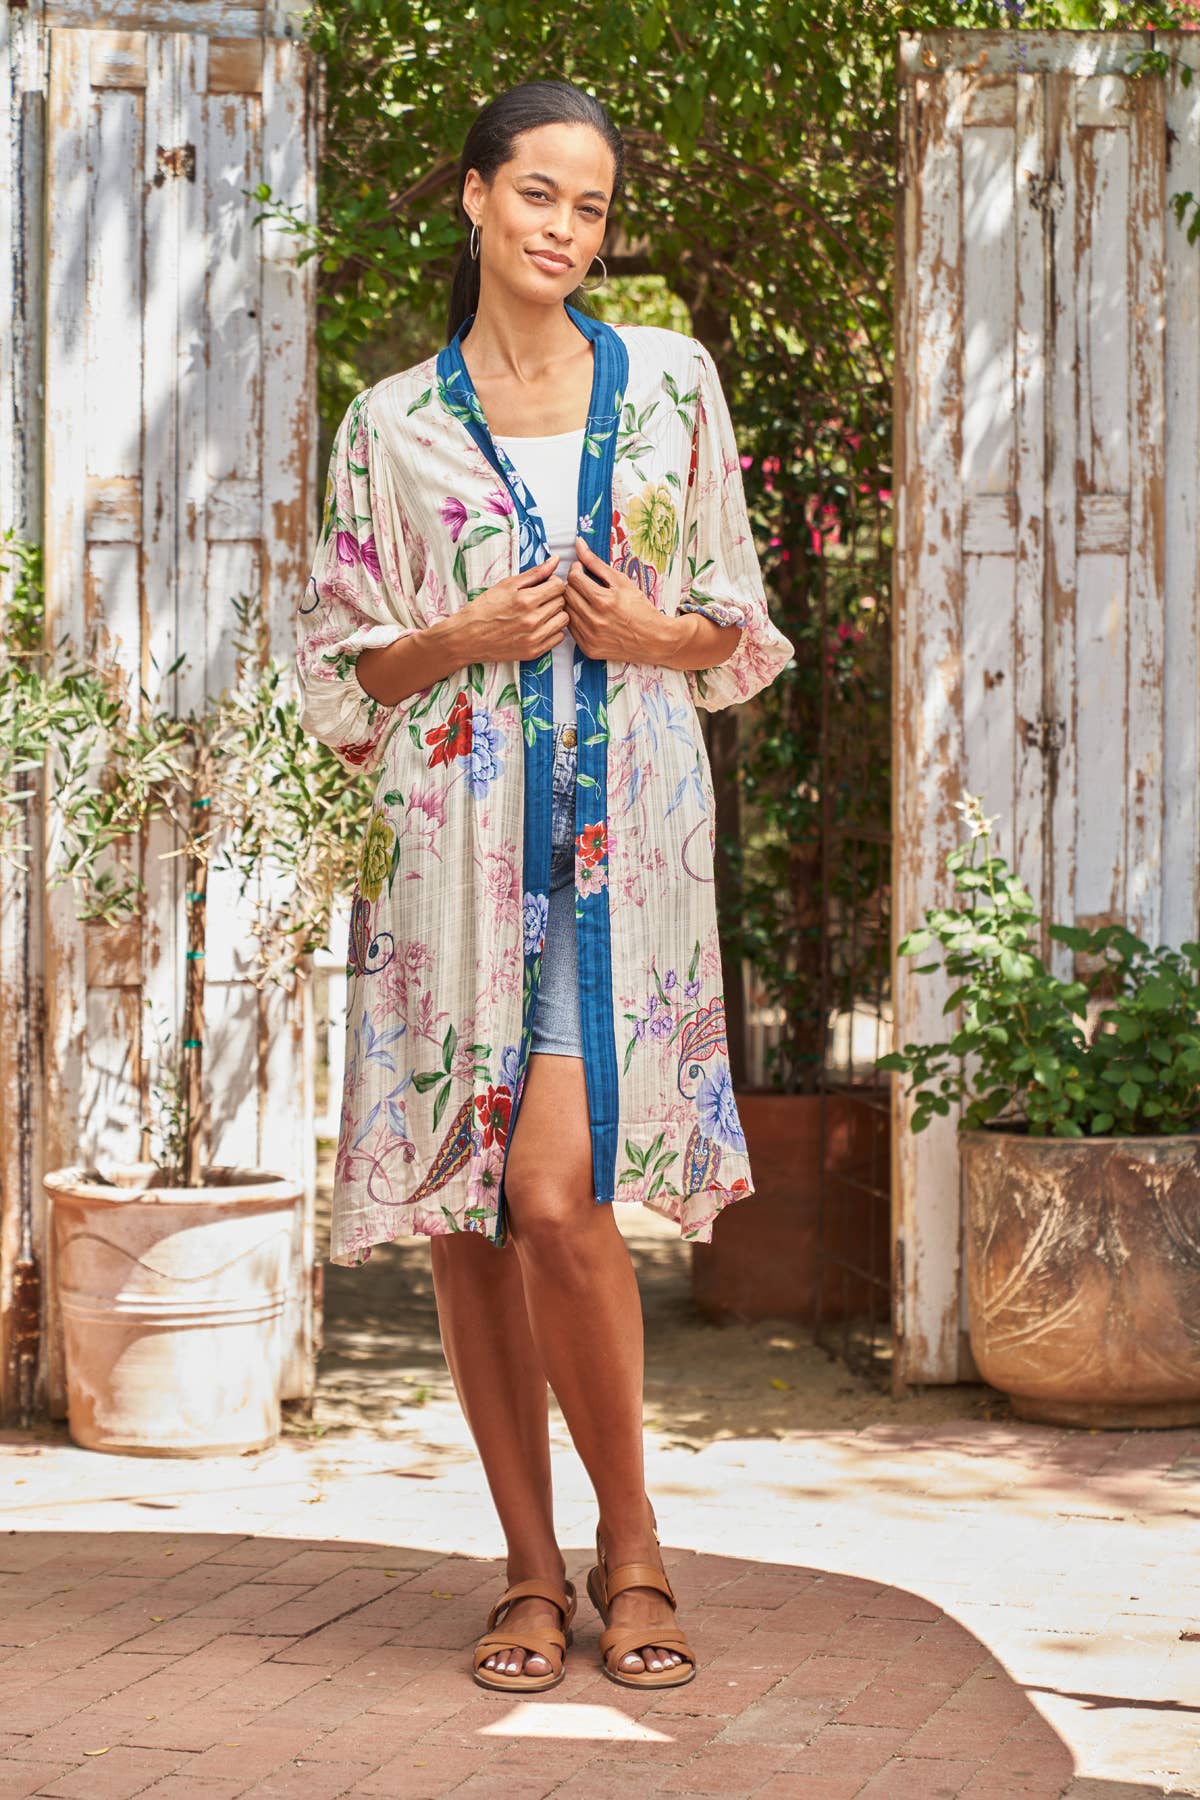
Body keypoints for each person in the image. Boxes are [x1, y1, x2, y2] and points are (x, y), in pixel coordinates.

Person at [295, 78, 795, 1693]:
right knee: (471, 1217)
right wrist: (457, 636)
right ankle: (526, 1568)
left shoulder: (669, 388)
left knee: (556, 1196)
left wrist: (652, 633)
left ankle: (631, 1544)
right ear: (474, 196)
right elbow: (336, 671)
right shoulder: (392, 424)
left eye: (590, 207)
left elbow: (735, 622)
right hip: (452, 865)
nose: (564, 229)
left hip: (622, 859)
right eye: (537, 194)